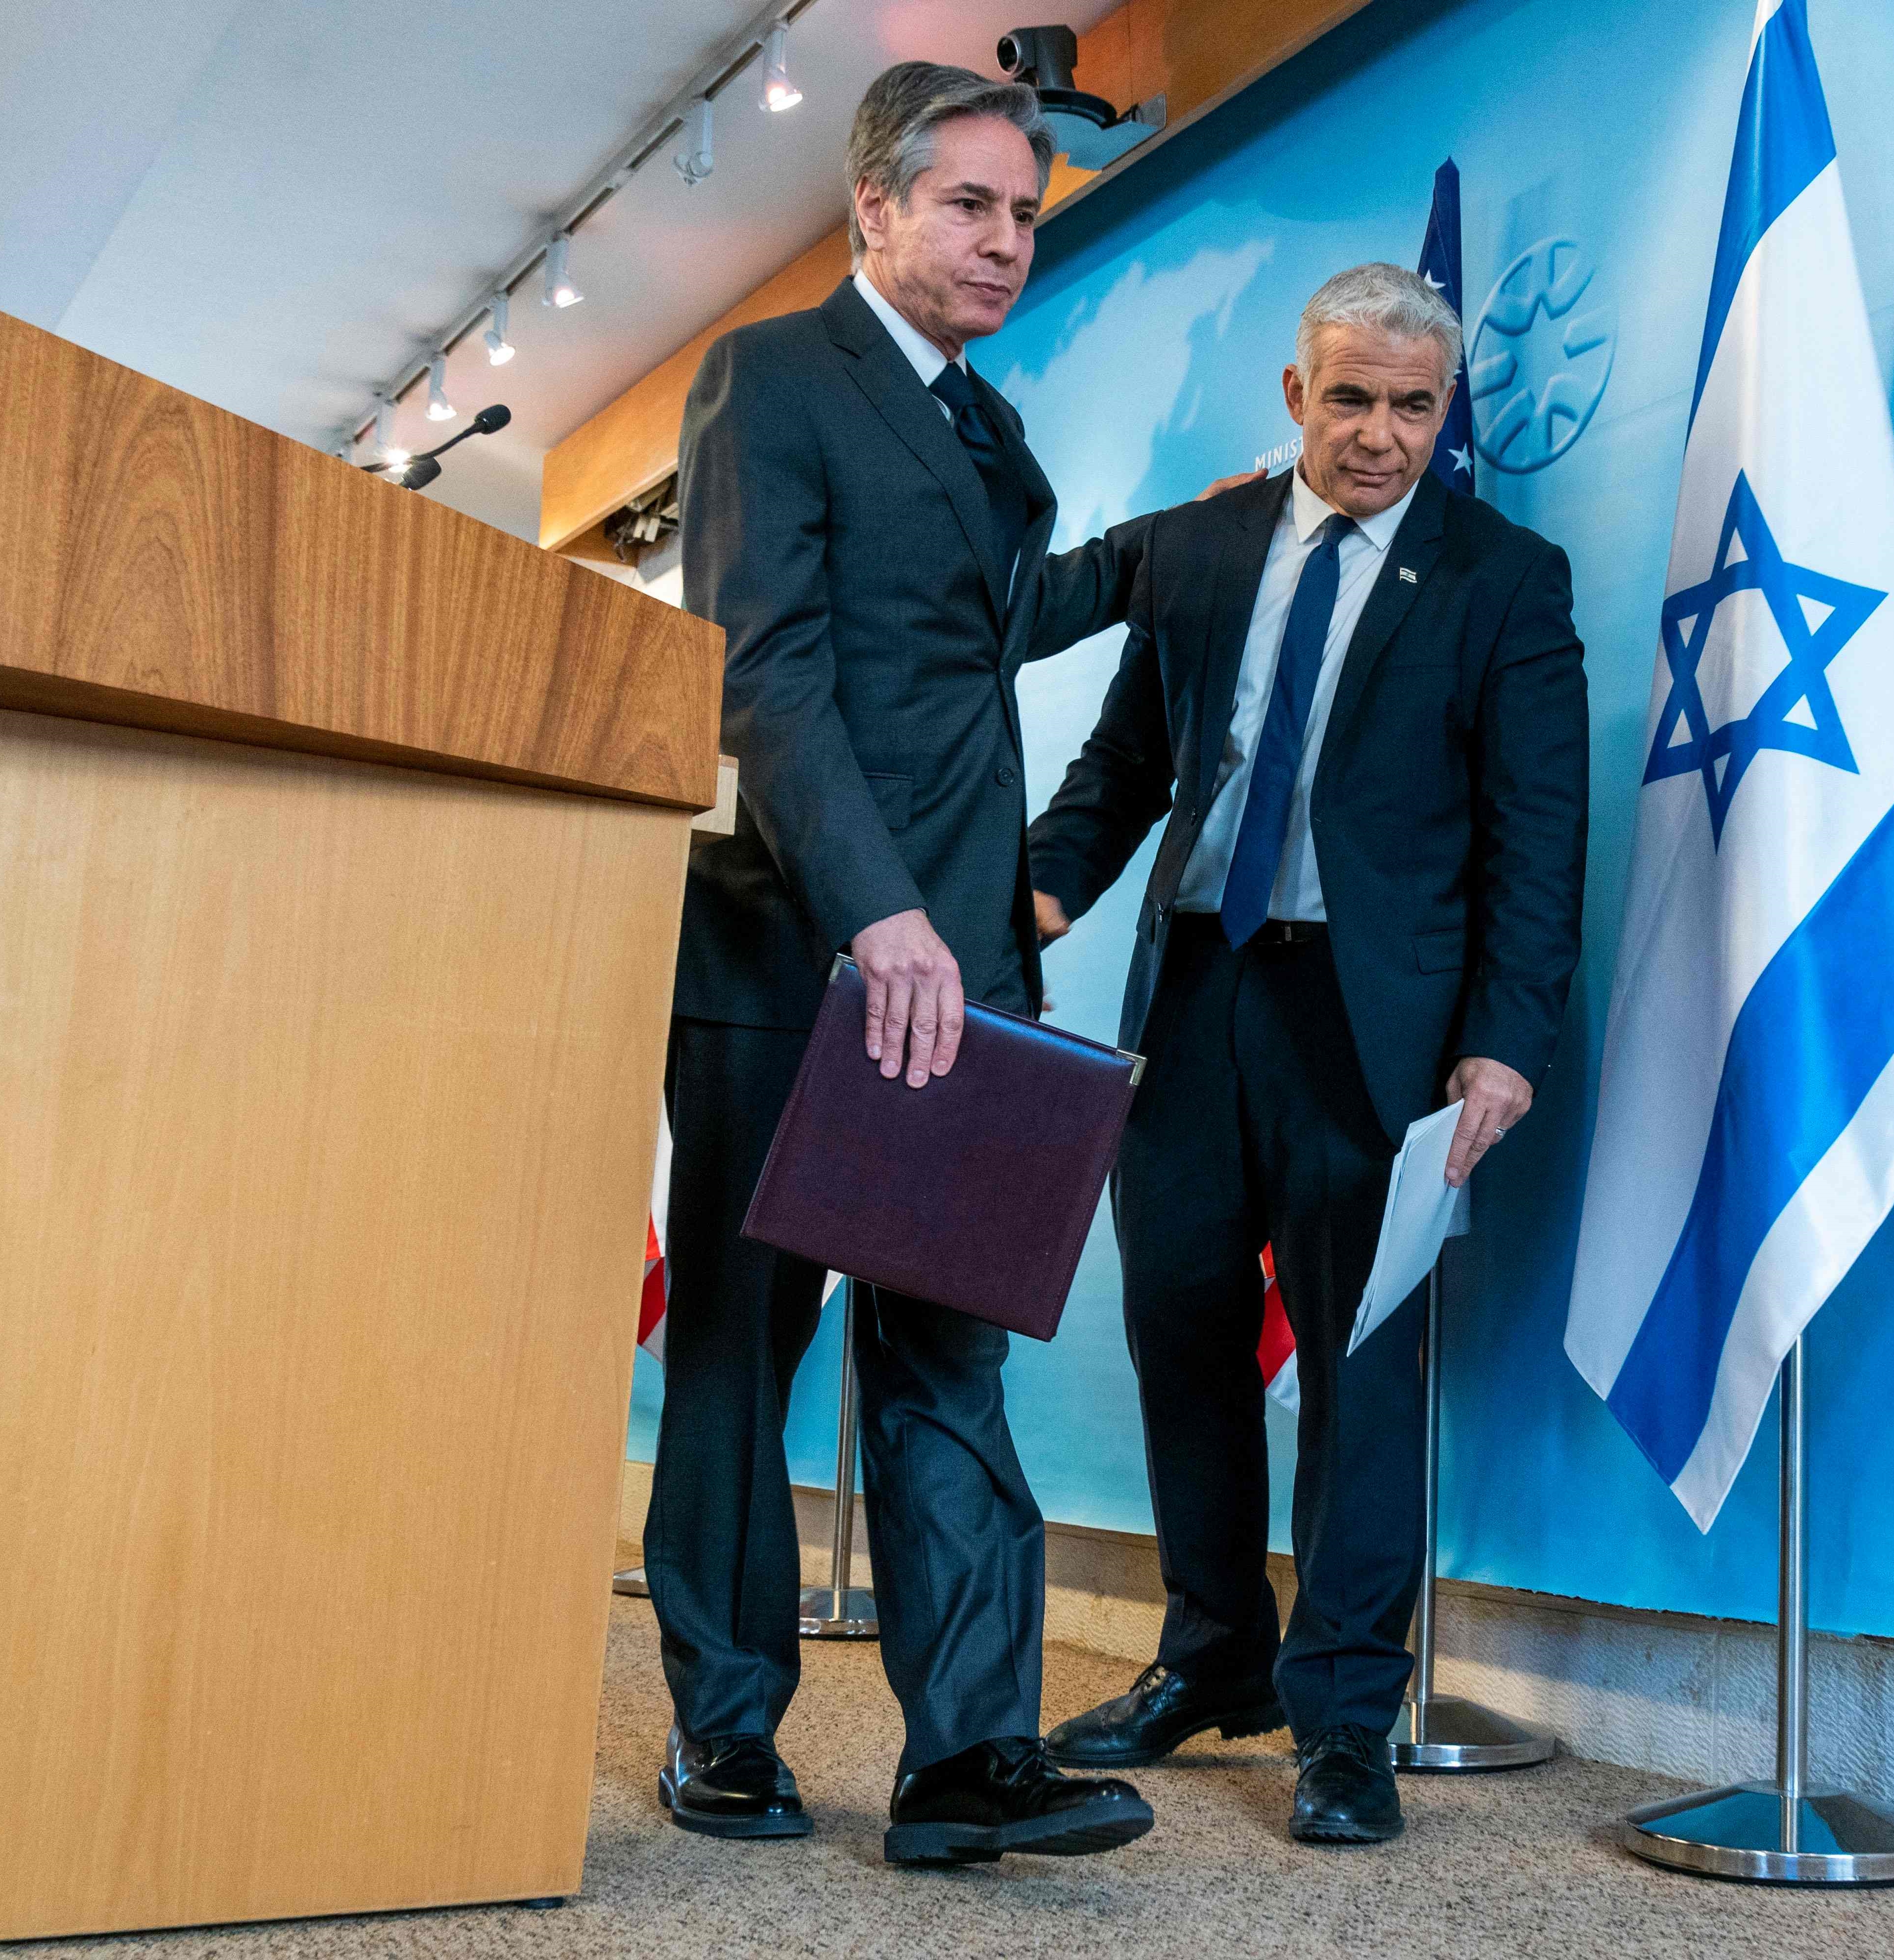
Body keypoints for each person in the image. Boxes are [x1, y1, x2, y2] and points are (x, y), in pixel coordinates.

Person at [649, 61, 1153, 1868]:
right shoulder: (772, 378)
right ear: (874, 207)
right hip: (796, 948)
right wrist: (876, 912)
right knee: (744, 1345)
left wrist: (1176, 542)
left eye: (1025, 215)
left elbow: (990, 628)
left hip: (965, 974)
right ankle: (725, 1727)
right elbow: (764, 671)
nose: (1006, 241)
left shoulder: (986, 427)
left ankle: (969, 1762)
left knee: (949, 1354)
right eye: (970, 206)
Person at [1025, 263, 1590, 1845]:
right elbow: (1125, 768)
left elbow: (1537, 836)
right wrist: (1033, 900)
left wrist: (1502, 1045)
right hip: (1197, 997)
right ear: (1297, 395)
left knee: (1362, 1366)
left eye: (1414, 406)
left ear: (1443, 409)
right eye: (1352, 399)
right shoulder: (1209, 551)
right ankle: (1213, 1655)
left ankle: (1344, 1715)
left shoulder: (1502, 577)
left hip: (1378, 1025)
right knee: (1181, 1328)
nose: (1381, 435)